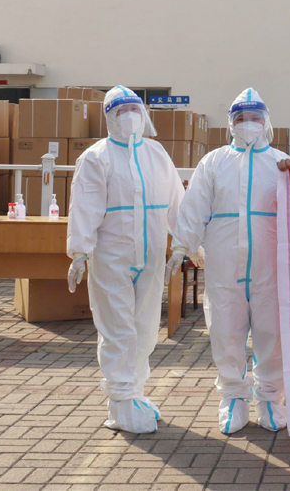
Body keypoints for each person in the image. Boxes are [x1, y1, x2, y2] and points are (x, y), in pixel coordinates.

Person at [167, 88, 290, 435]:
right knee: (225, 330)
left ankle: (270, 397)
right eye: (240, 118)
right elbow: (194, 207)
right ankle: (234, 397)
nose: (247, 124)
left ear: (266, 123)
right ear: (231, 124)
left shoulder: (281, 162)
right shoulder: (214, 162)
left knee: (272, 332)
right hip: (224, 263)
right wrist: (181, 247)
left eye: (254, 118)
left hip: (270, 264)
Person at [67, 86, 185, 434]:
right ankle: (120, 402)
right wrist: (80, 252)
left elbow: (176, 201)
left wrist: (185, 243)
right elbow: (85, 207)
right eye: (122, 111)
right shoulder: (96, 157)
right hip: (112, 257)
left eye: (135, 109)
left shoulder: (156, 152)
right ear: (109, 117)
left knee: (145, 328)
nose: (130, 116)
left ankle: (134, 393)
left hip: (151, 255)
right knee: (118, 328)